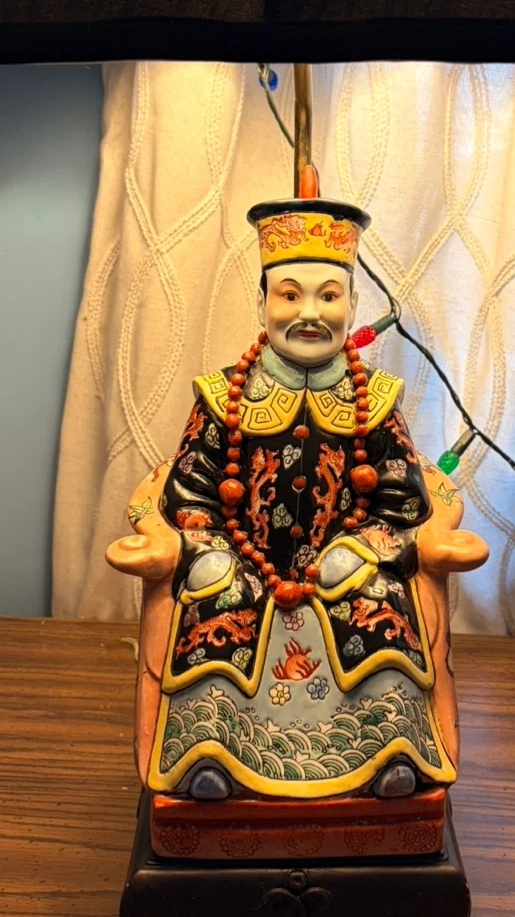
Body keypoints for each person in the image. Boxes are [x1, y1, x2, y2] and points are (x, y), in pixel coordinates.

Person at [139, 189, 459, 803]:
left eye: (329, 296)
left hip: (346, 569)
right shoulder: (223, 399)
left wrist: (364, 550)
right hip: (243, 564)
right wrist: (208, 550)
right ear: (262, 302)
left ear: (352, 304)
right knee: (219, 603)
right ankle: (209, 755)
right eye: (290, 295)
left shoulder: (376, 402)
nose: (309, 312)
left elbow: (403, 501)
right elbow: (189, 493)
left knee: (380, 604)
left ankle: (390, 752)